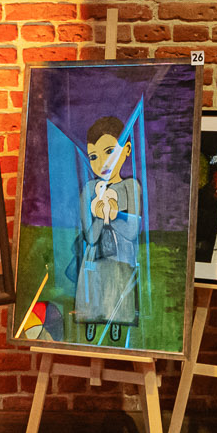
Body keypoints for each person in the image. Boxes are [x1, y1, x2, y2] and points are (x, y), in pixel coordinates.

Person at [71, 113, 141, 345]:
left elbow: (132, 231)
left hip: (121, 256)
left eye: (109, 151)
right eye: (93, 156)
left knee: (118, 288)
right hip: (96, 256)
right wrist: (101, 217)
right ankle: (91, 322)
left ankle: (117, 326)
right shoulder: (89, 190)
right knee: (95, 289)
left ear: (126, 150)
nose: (102, 162)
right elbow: (90, 236)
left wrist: (115, 214)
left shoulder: (130, 187)